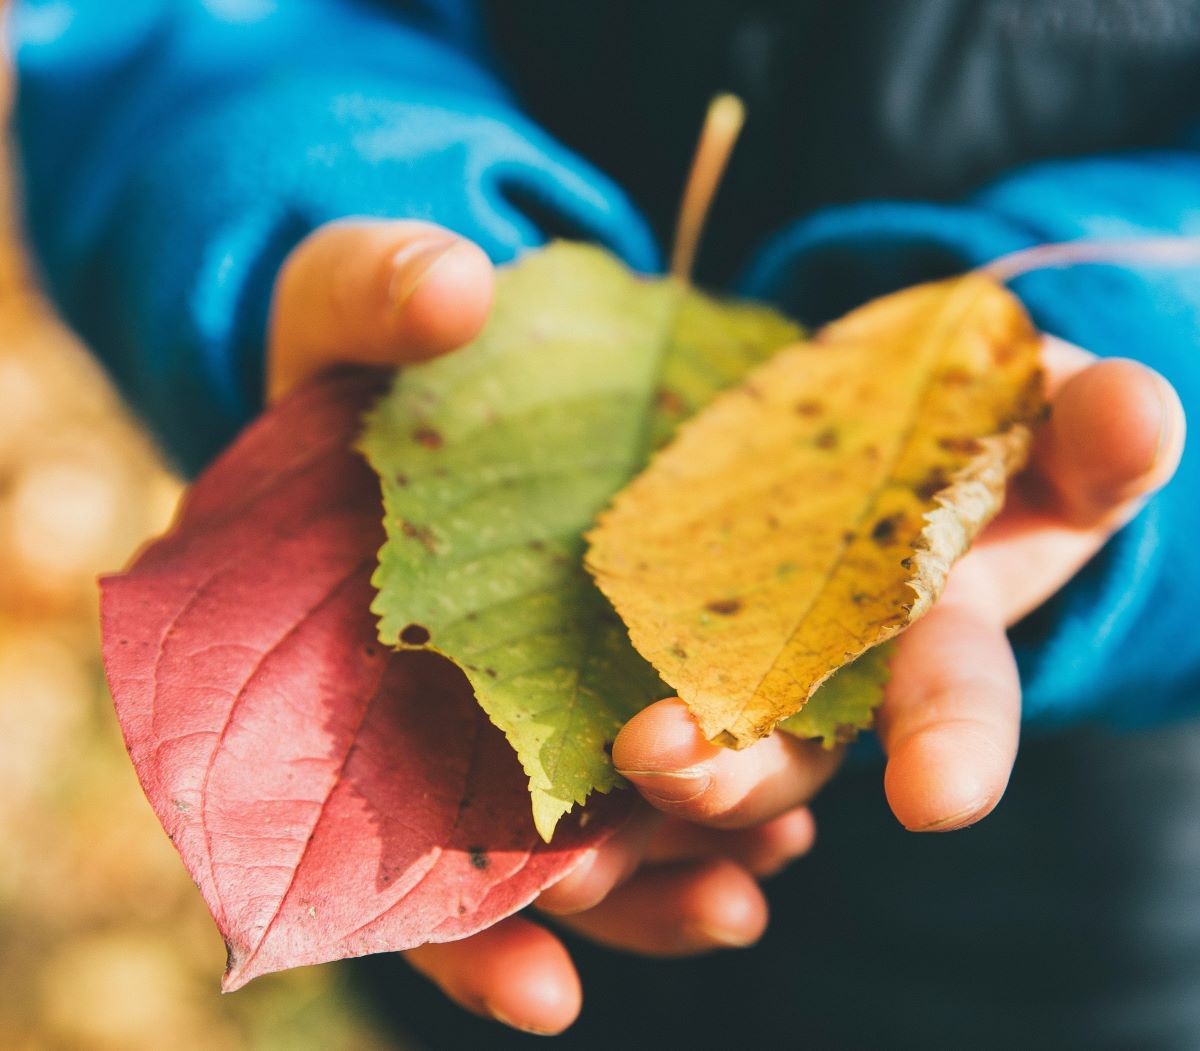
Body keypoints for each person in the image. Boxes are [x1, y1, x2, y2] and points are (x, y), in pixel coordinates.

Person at [11, 2, 1199, 1047]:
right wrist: (301, 206)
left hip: (1098, 907)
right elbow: (168, 27)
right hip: (514, 884)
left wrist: (1111, 376)